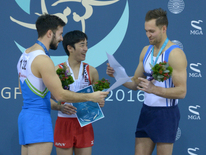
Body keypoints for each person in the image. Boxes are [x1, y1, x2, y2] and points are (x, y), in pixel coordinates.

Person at [17, 14, 108, 155]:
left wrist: (57, 106)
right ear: (49, 33)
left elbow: (22, 90)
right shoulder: (43, 59)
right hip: (38, 120)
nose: (61, 38)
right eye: (60, 34)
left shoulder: (25, 54)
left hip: (26, 118)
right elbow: (59, 95)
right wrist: (91, 97)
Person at [106, 8, 187, 155]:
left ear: (163, 28)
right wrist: (117, 75)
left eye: (151, 31)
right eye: (146, 31)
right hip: (147, 112)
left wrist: (154, 89)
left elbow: (182, 91)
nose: (148, 35)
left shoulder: (175, 54)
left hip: (166, 114)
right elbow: (136, 84)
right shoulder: (146, 51)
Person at [50, 30, 102, 155]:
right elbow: (47, 97)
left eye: (86, 45)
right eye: (82, 45)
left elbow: (98, 97)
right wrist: (59, 107)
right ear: (70, 48)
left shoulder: (92, 71)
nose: (86, 49)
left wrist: (100, 101)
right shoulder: (57, 70)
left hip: (84, 123)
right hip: (64, 124)